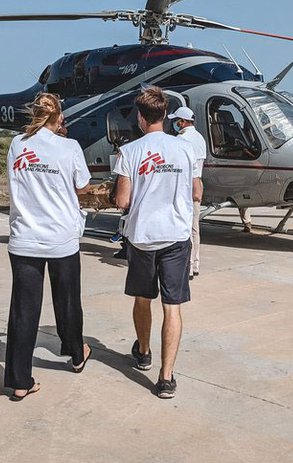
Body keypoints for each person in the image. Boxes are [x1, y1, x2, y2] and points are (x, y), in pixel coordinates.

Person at [114, 87, 201, 399]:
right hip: (176, 237)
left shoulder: (130, 152)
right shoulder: (185, 150)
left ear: (140, 118)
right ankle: (166, 378)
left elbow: (122, 201)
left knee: (142, 299)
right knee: (172, 307)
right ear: (165, 116)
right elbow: (196, 193)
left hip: (142, 238)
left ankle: (144, 351)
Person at [4, 93, 93, 401]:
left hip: (24, 238)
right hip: (61, 239)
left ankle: (19, 380)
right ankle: (76, 353)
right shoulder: (69, 148)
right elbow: (82, 187)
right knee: (68, 302)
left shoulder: (18, 144)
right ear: (60, 117)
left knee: (23, 312)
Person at [168, 106, 207, 279]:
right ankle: (196, 263)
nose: (175, 124)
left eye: (176, 121)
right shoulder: (200, 138)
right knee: (194, 227)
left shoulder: (181, 140)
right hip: (198, 185)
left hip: (184, 188)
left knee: (183, 228)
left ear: (182, 122)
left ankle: (188, 267)